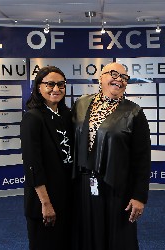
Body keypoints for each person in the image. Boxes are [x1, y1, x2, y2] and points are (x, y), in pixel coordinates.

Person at [72, 62, 151, 250]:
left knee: (118, 238)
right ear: (101, 78)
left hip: (118, 186)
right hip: (84, 184)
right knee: (87, 234)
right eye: (113, 74)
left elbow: (142, 158)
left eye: (124, 77)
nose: (119, 79)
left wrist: (139, 196)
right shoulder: (81, 104)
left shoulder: (134, 112)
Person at [20, 66, 73, 250]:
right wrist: (46, 203)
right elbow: (33, 165)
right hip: (44, 199)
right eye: (50, 84)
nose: (56, 89)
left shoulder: (66, 115)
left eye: (61, 84)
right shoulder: (32, 118)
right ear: (38, 87)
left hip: (66, 196)